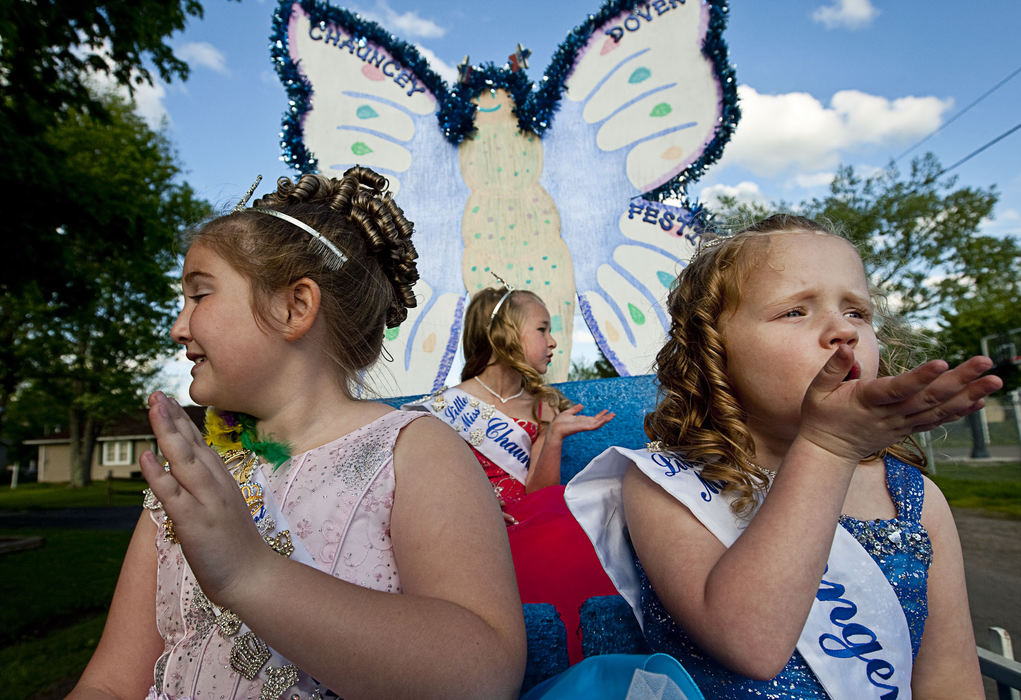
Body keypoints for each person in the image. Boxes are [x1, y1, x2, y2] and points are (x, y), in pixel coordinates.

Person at [70, 168, 526, 700]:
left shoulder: (414, 451)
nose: (178, 326)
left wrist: (250, 574)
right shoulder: (187, 485)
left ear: (294, 307)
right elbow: (109, 683)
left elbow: (485, 674)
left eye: (199, 295)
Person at [566, 214, 1000, 698]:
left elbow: (950, 679)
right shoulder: (663, 484)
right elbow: (751, 645)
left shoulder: (917, 501)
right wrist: (827, 448)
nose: (843, 331)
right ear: (714, 350)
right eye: (796, 311)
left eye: (857, 312)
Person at [404, 286, 617, 665]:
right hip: (474, 525)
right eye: (542, 329)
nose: (552, 342)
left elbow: (541, 490)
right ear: (505, 332)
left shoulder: (543, 405)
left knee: (569, 509)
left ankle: (581, 651)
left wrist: (553, 436)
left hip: (529, 518)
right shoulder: (443, 407)